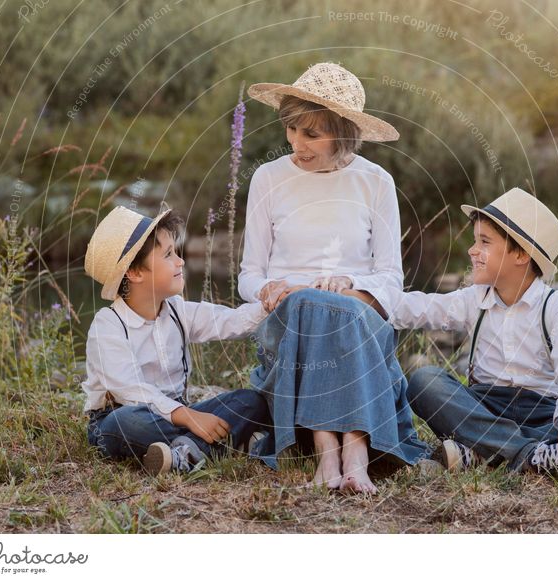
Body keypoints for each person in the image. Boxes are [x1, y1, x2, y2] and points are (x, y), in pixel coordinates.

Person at [239, 62, 428, 493]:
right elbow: (249, 275)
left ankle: (336, 457)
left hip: (359, 316)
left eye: (312, 133)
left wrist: (352, 287)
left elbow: (390, 279)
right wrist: (266, 288)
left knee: (336, 309)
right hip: (291, 324)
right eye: (291, 129)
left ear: (343, 133)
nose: (295, 142)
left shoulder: (376, 182)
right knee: (310, 304)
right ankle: (346, 453)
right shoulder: (267, 178)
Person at [373, 188, 558, 476]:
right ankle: (530, 455)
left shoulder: (556, 305)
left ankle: (483, 453)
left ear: (520, 254)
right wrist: (363, 295)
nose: (472, 250)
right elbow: (417, 307)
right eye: (475, 241)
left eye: (484, 242)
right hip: (484, 407)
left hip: (542, 413)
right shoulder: (474, 299)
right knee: (424, 381)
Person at [82, 205, 270, 475]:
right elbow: (131, 390)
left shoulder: (178, 310)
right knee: (124, 422)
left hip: (181, 417)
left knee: (250, 401)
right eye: (168, 254)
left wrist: (272, 302)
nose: (180, 261)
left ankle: (183, 454)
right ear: (135, 273)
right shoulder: (108, 324)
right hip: (126, 417)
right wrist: (189, 417)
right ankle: (218, 444)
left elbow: (233, 321)